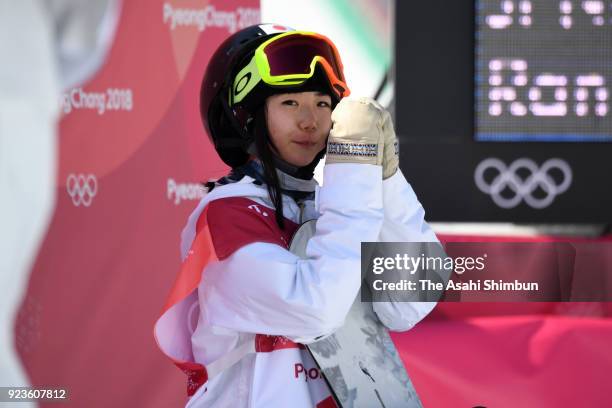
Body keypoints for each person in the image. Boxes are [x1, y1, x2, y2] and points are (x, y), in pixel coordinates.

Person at [154, 23, 439, 407]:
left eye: (323, 103)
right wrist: (354, 169)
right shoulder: (227, 214)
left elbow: (409, 303)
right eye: (290, 103)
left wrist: (387, 179)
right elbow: (315, 309)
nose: (311, 120)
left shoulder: (333, 209)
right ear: (248, 116)